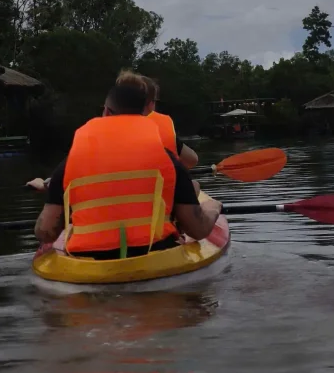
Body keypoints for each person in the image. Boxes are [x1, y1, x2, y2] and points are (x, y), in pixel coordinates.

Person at [33, 71, 221, 257]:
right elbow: (198, 230)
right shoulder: (167, 160)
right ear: (145, 113)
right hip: (155, 254)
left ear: (106, 111)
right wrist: (213, 207)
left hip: (87, 261)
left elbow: (46, 231)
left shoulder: (71, 161)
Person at [142, 76, 199, 170]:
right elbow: (192, 160)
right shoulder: (159, 127)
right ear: (151, 104)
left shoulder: (111, 130)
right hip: (160, 183)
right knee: (194, 184)